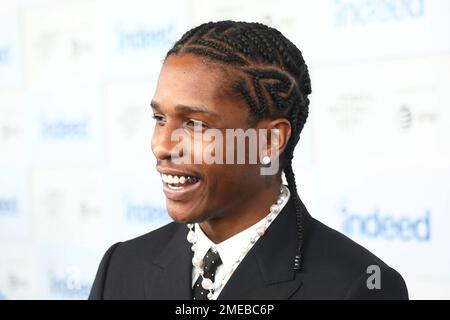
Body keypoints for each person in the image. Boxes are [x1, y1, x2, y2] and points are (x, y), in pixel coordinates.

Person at [89, 20, 408, 300]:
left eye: (195, 125)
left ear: (269, 140)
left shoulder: (359, 286)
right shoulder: (121, 266)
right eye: (160, 118)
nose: (160, 145)